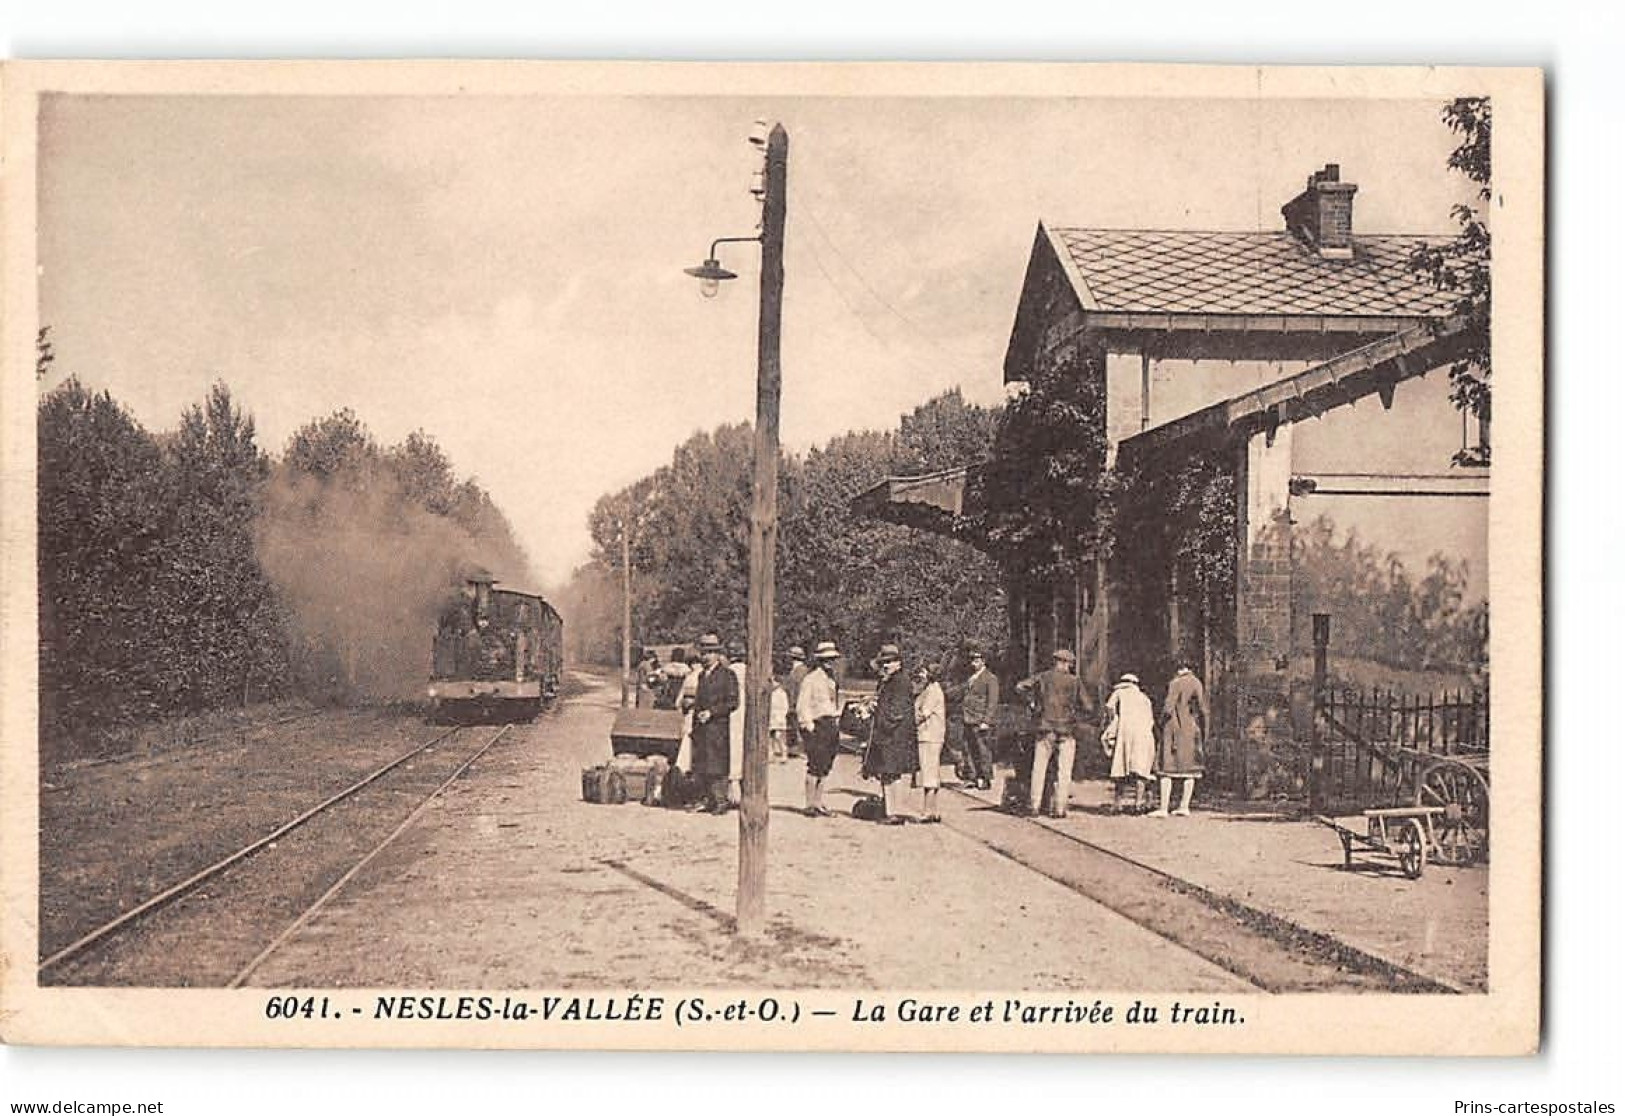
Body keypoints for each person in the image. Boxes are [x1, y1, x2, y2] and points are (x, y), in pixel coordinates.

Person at [1015, 649, 1092, 818]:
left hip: (1045, 727)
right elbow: (1088, 707)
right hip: (1066, 730)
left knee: (1039, 767)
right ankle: (1059, 808)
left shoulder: (1044, 677)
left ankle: (1034, 806)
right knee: (1064, 771)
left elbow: (1020, 686)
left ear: (1056, 662)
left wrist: (1033, 703)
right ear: (1067, 663)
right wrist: (1074, 717)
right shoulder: (1075, 681)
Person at [864, 644, 919, 824]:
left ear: (899, 663)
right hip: (894, 735)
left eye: (890, 662)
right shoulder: (894, 680)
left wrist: (879, 715)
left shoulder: (900, 682)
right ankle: (892, 810)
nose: (886, 665)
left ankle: (891, 812)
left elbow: (897, 712)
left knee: (889, 773)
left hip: (893, 736)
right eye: (884, 662)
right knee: (891, 774)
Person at [689, 633, 738, 813]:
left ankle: (721, 801)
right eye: (703, 653)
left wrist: (712, 712)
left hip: (718, 727)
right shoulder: (702, 676)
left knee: (718, 764)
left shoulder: (727, 675)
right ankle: (708, 799)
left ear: (718, 654)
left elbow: (733, 702)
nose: (705, 657)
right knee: (703, 763)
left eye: (710, 652)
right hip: (702, 728)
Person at [1157, 664, 1210, 817]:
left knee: (1166, 768)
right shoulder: (1196, 682)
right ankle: (1184, 806)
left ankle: (1163, 808)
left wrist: (1160, 723)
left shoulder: (1175, 683)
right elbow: (1203, 709)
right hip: (1191, 728)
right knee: (1190, 770)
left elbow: (1168, 708)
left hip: (1173, 728)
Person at [796, 642, 842, 817]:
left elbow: (833, 703)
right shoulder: (811, 679)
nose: (829, 662)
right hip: (817, 724)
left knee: (826, 765)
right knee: (815, 764)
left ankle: (818, 802)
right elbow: (803, 704)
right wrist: (808, 726)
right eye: (826, 660)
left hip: (830, 724)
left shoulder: (832, 680)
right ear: (819, 660)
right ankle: (809, 804)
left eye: (832, 659)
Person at [1103, 672, 1157, 814]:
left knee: (1120, 767)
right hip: (1144, 734)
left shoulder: (1119, 693)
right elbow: (1151, 720)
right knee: (1141, 770)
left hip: (1125, 732)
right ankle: (1138, 803)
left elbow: (1109, 707)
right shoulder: (1144, 698)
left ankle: (1117, 803)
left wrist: (1113, 720)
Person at [958, 646, 1000, 791]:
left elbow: (992, 701)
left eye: (976, 660)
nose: (973, 663)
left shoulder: (990, 678)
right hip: (968, 718)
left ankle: (985, 778)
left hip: (980, 719)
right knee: (968, 749)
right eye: (972, 660)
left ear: (984, 661)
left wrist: (986, 721)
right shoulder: (971, 677)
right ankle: (972, 777)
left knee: (983, 750)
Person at [913, 662, 947, 823]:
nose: (921, 675)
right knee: (931, 771)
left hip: (929, 735)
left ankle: (928, 811)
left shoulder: (933, 691)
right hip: (930, 735)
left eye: (924, 672)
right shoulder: (929, 689)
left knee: (928, 772)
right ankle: (933, 810)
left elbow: (923, 714)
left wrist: (907, 723)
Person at [727, 644, 748, 805]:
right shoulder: (749, 671)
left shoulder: (729, 671)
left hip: (733, 711)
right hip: (745, 710)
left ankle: (733, 789)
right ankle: (740, 788)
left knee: (732, 747)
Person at [783, 645, 809, 759]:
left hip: (797, 702)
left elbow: (796, 689)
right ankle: (794, 748)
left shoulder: (799, 671)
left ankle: (800, 749)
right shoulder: (800, 670)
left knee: (798, 725)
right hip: (797, 702)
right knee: (795, 724)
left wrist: (792, 704)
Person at [769, 674, 790, 763]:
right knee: (770, 738)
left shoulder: (782, 693)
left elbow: (785, 707)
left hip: (779, 718)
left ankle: (784, 754)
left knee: (779, 737)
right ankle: (771, 755)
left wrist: (781, 716)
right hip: (771, 717)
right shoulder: (771, 694)